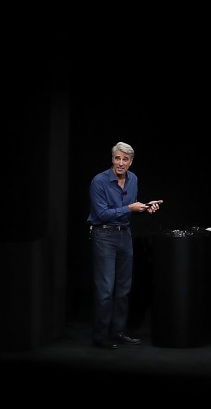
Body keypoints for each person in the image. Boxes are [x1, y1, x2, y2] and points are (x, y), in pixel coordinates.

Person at [86, 141, 161, 349]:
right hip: (104, 236)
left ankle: (118, 331)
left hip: (124, 235)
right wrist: (129, 207)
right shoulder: (99, 182)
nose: (120, 163)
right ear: (112, 159)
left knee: (123, 289)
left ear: (131, 162)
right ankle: (100, 337)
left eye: (125, 159)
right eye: (117, 158)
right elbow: (101, 214)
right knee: (105, 290)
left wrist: (145, 208)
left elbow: (129, 209)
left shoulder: (133, 179)